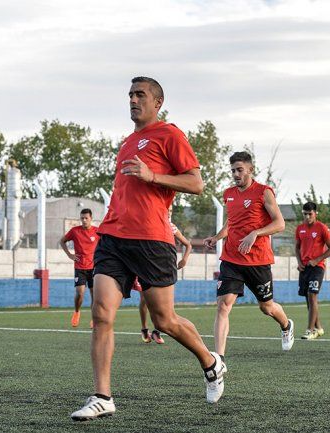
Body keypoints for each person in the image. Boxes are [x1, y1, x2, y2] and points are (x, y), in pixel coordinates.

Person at [71, 76, 225, 421]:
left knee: (165, 320)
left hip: (152, 240)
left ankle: (211, 361)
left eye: (140, 95)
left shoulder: (170, 135)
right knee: (101, 315)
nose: (133, 100)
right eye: (130, 95)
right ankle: (102, 396)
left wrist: (152, 176)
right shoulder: (128, 142)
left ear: (158, 102)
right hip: (113, 237)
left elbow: (196, 183)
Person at [204, 151, 293, 367]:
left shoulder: (264, 192)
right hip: (232, 260)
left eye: (239, 170)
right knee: (223, 305)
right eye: (233, 170)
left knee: (267, 307)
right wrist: (218, 237)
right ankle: (219, 360)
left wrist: (256, 233)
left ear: (250, 169)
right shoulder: (229, 194)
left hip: (258, 261)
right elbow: (232, 221)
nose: (235, 174)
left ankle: (286, 325)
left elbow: (280, 224)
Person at [139, 219, 192, 344]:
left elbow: (188, 244)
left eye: (170, 211)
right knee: (145, 300)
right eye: (167, 210)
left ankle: (157, 331)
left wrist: (184, 259)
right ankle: (145, 329)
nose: (168, 213)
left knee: (166, 308)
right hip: (146, 267)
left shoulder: (172, 227)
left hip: (165, 269)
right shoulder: (148, 224)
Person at [295, 202, 330, 340]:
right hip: (304, 268)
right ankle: (318, 328)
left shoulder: (322, 228)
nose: (307, 217)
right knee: (308, 299)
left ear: (315, 213)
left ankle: (310, 330)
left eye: (310, 214)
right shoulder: (300, 229)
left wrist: (317, 260)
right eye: (305, 214)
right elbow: (297, 247)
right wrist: (300, 263)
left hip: (317, 268)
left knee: (312, 296)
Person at [60, 208, 99, 328]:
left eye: (86, 218)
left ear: (91, 218)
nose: (84, 220)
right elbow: (62, 241)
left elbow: (106, 245)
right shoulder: (75, 231)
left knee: (94, 295)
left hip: (94, 267)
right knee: (80, 293)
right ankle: (77, 311)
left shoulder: (97, 232)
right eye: (82, 218)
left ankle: (94, 319)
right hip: (80, 266)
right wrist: (69, 255)